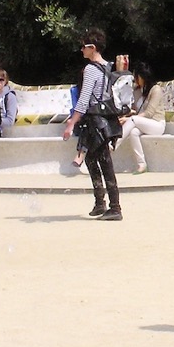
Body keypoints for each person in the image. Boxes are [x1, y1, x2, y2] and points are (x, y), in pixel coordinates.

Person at [62, 28, 123, 220]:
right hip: (107, 119)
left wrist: (71, 123)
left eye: (83, 47)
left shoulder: (90, 69)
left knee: (104, 161)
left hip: (95, 120)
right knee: (91, 159)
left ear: (92, 48)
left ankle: (114, 207)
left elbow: (83, 99)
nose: (81, 50)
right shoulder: (108, 66)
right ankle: (100, 202)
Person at [118, 62, 165, 175]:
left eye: (137, 77)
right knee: (133, 132)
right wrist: (126, 116)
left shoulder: (156, 90)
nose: (135, 80)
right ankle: (141, 164)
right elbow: (135, 110)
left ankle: (113, 145)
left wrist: (129, 119)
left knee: (133, 120)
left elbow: (149, 113)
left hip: (157, 124)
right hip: (143, 123)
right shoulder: (138, 91)